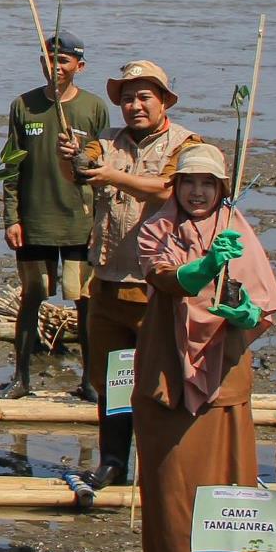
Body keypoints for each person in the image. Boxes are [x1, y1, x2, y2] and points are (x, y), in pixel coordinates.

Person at [133, 142, 276, 552]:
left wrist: (244, 311)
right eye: (189, 182)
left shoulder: (237, 230)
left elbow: (262, 304)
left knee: (227, 472)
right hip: (167, 367)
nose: (197, 192)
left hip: (224, 369)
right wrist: (207, 264)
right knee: (171, 472)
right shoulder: (156, 228)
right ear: (175, 187)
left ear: (221, 188)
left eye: (207, 184)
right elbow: (165, 279)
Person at [57, 60, 195, 504]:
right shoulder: (106, 144)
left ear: (164, 101)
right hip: (109, 281)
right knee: (112, 380)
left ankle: (164, 462)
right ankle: (113, 460)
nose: (135, 106)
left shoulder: (186, 144)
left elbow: (168, 191)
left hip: (159, 287)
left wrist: (113, 176)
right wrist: (70, 160)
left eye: (144, 97)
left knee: (161, 380)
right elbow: (82, 172)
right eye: (128, 98)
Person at [0, 33, 109, 398]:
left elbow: (105, 163)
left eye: (63, 61)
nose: (55, 67)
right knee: (33, 295)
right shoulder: (23, 106)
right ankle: (21, 378)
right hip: (34, 219)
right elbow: (11, 166)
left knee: (84, 299)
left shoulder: (92, 108)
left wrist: (100, 223)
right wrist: (11, 217)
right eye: (48, 59)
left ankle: (90, 380)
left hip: (80, 221)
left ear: (79, 66)